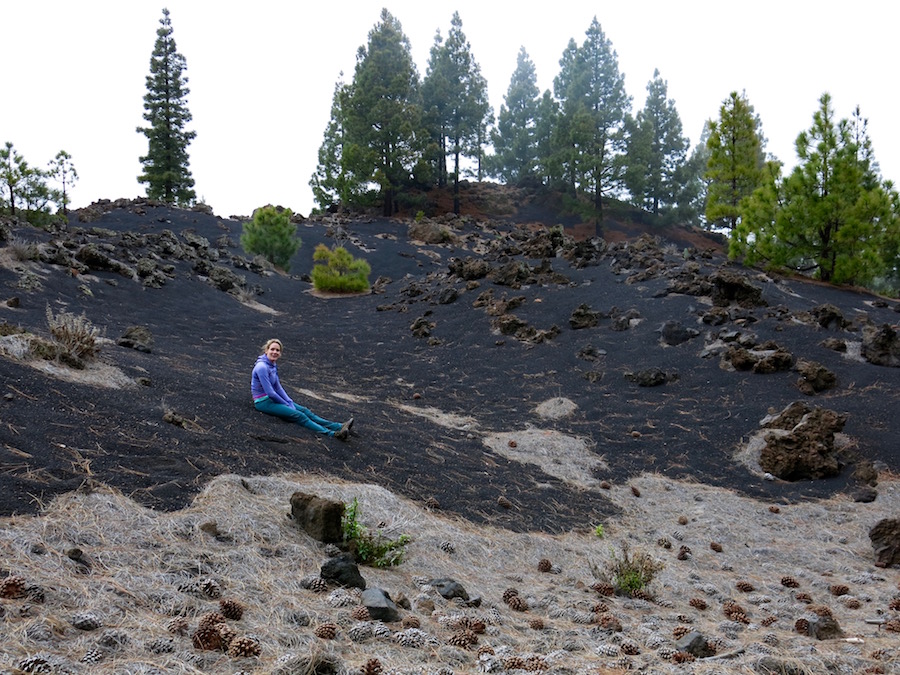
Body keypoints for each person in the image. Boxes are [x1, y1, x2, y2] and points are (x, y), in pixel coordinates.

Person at [251, 338, 353, 440]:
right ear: (266, 350)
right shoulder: (262, 367)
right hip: (263, 402)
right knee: (299, 415)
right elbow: (271, 393)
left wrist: (289, 401)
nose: (275, 352)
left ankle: (338, 426)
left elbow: (278, 387)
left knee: (305, 411)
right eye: (272, 349)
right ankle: (333, 434)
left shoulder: (272, 365)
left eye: (277, 350)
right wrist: (286, 404)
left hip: (272, 399)